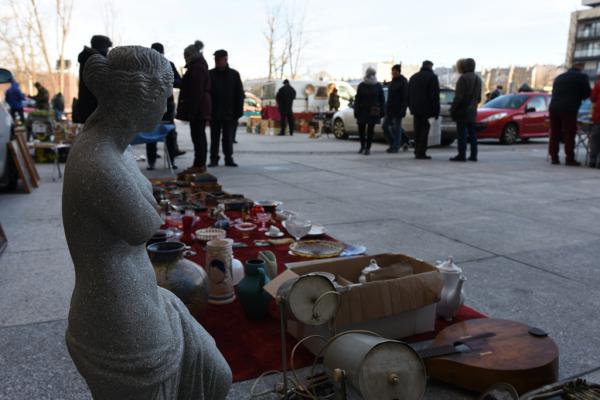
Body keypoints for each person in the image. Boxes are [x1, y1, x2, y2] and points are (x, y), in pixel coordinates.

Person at [145, 42, 183, 171]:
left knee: (170, 134)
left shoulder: (169, 65)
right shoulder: (147, 66)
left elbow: (179, 82)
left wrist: (166, 80)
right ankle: (151, 162)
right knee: (150, 135)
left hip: (167, 106)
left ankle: (171, 161)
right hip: (151, 105)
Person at [176, 41, 211, 173]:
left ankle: (199, 164)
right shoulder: (198, 66)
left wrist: (192, 111)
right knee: (198, 136)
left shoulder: (197, 68)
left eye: (185, 55)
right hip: (200, 107)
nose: (184, 58)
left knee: (198, 136)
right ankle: (199, 163)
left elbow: (196, 92)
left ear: (189, 55)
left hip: (198, 109)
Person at [548, 62, 591, 166]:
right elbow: (587, 93)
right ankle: (569, 158)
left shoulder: (559, 77)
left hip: (553, 107)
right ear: (580, 67)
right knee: (569, 133)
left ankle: (554, 157)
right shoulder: (582, 77)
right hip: (569, 108)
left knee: (554, 133)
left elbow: (554, 92)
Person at [209, 49, 244, 167]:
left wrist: (238, 112)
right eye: (215, 60)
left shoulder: (234, 74)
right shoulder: (210, 74)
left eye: (219, 60)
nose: (217, 62)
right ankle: (214, 159)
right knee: (214, 138)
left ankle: (229, 158)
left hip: (230, 114)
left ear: (225, 59)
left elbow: (240, 94)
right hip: (214, 113)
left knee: (228, 138)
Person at [73, 35, 112, 124]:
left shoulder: (87, 58)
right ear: (101, 47)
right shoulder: (95, 60)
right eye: (106, 48)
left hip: (87, 107)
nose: (107, 51)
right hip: (93, 108)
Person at [450, 58, 482, 162]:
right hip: (473, 112)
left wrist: (453, 108)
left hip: (462, 111)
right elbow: (479, 98)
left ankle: (461, 155)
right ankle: (474, 155)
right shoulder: (478, 79)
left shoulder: (463, 79)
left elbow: (459, 97)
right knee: (473, 135)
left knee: (462, 134)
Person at [408, 60, 440, 159]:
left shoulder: (413, 77)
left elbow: (409, 94)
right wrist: (436, 111)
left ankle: (417, 150)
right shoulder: (432, 77)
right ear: (430, 66)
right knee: (424, 131)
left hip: (416, 109)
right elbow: (434, 96)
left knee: (417, 130)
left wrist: (411, 107)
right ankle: (421, 152)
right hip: (427, 110)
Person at [354, 67, 385, 155]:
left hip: (373, 111)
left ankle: (368, 148)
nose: (372, 76)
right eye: (370, 74)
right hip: (362, 110)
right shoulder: (361, 85)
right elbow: (357, 99)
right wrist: (356, 111)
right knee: (361, 129)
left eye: (373, 74)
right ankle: (362, 146)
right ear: (367, 74)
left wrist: (382, 111)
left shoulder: (378, 85)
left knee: (370, 130)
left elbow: (382, 99)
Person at [382, 64, 409, 153]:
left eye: (394, 71)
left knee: (397, 128)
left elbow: (405, 97)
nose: (393, 72)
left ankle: (395, 147)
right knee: (385, 126)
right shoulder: (393, 82)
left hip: (398, 109)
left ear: (398, 71)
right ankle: (395, 142)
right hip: (390, 109)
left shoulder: (403, 82)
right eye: (392, 71)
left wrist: (403, 109)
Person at [588, 76, 600, 168]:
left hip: (598, 117)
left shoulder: (598, 84)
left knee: (595, 140)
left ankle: (592, 161)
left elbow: (592, 98)